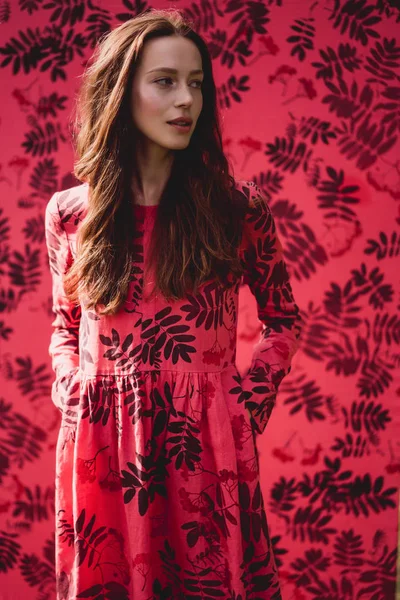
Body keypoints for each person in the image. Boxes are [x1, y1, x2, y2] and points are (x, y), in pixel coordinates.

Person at [44, 8, 303, 600]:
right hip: (102, 448)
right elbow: (64, 325)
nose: (187, 99)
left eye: (196, 83)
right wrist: (74, 390)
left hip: (205, 450)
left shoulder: (237, 208)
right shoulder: (70, 214)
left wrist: (245, 402)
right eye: (165, 81)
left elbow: (283, 318)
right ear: (120, 93)